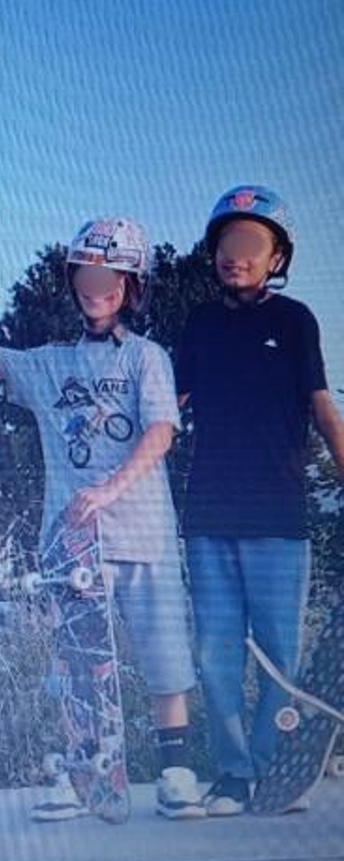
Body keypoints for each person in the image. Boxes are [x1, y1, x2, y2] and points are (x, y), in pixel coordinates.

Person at [0, 220, 205, 821]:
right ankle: (83, 769)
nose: (96, 287)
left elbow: (161, 431)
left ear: (131, 286)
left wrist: (110, 489)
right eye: (86, 276)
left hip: (143, 533)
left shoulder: (146, 358)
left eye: (109, 278)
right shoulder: (50, 364)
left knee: (164, 651)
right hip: (71, 541)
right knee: (75, 664)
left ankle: (176, 769)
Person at [176, 185, 344, 816]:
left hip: (280, 516)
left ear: (276, 257)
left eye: (251, 244)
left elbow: (323, 409)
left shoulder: (295, 322)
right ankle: (232, 772)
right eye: (227, 243)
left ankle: (276, 769)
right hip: (208, 517)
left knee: (279, 651)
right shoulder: (198, 324)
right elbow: (170, 407)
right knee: (215, 651)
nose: (236, 255)